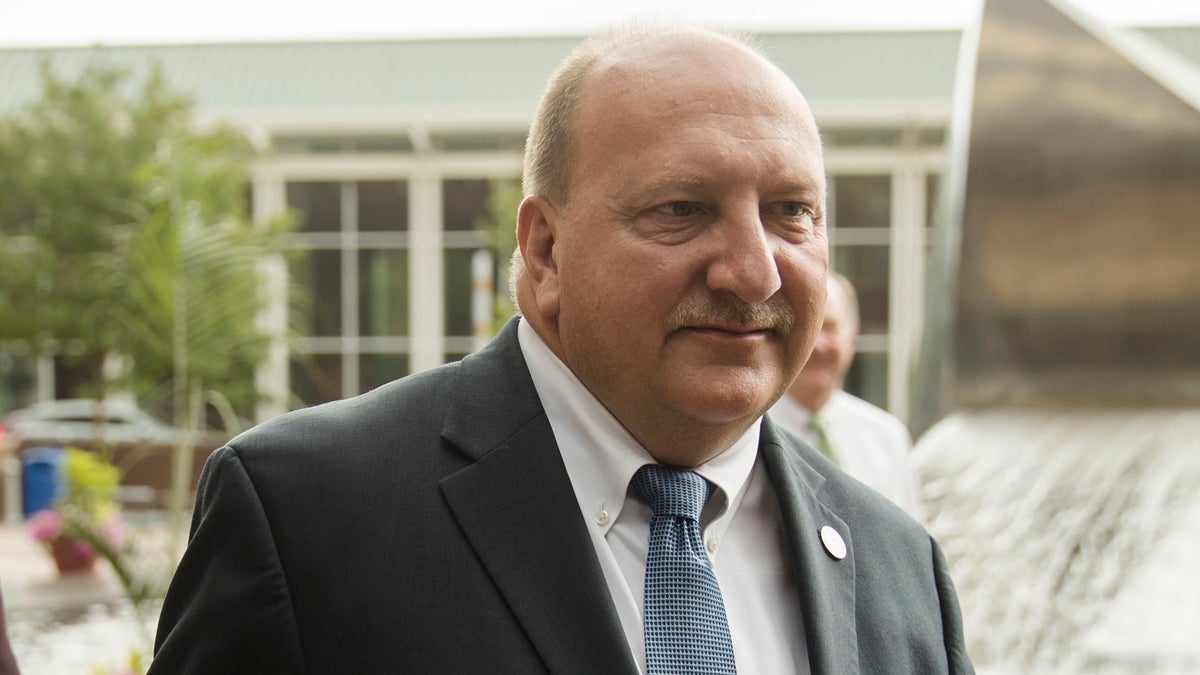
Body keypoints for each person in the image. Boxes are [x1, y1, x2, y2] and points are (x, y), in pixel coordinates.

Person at [149, 24, 973, 674]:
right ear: (545, 253)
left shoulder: (900, 569)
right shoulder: (305, 518)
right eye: (683, 208)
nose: (754, 269)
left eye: (792, 211)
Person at [770, 273, 927, 520]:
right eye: (808, 327)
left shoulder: (887, 437)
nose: (818, 344)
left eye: (830, 327)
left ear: (852, 335)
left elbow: (913, 545)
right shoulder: (749, 435)